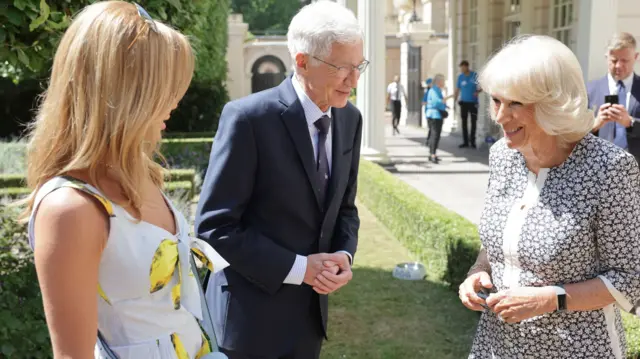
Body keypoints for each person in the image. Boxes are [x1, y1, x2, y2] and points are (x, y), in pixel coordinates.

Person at [21, 2, 229, 358]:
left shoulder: (144, 176)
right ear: (123, 94)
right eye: (164, 88)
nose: (176, 102)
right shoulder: (71, 209)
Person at [195, 2, 363, 358]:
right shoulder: (248, 118)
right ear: (302, 62)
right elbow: (215, 226)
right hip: (247, 324)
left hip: (308, 320)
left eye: (359, 65)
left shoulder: (350, 120)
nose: (354, 80)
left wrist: (344, 256)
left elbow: (345, 208)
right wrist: (301, 268)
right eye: (342, 68)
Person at [458, 34, 640, 358]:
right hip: (497, 346)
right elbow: (502, 236)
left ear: (553, 104)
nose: (500, 117)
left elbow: (629, 279)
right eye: (497, 100)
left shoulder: (610, 169)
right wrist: (477, 272)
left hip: (578, 348)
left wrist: (549, 298)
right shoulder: (502, 154)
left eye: (515, 103)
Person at [587, 32, 640, 162]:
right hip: (599, 169)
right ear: (606, 57)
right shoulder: (590, 90)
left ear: (636, 57)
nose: (618, 66)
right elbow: (572, 134)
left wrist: (630, 123)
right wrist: (594, 124)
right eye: (614, 60)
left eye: (624, 60)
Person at [455, 60, 481, 148]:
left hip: (473, 103)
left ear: (467, 67)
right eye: (461, 68)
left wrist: (477, 91)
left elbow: (481, 86)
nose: (462, 69)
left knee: (473, 122)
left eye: (463, 67)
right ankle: (465, 142)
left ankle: (473, 142)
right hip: (464, 103)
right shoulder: (460, 77)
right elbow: (457, 89)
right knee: (464, 122)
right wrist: (455, 100)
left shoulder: (474, 75)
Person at [425, 74, 451, 163]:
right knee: (435, 135)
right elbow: (436, 102)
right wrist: (447, 98)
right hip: (434, 115)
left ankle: (432, 153)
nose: (444, 82)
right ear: (439, 82)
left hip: (435, 115)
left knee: (434, 135)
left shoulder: (437, 90)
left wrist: (445, 105)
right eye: (443, 81)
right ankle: (433, 154)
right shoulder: (434, 90)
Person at [422, 78, 433, 145]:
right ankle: (428, 140)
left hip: (434, 113)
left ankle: (429, 140)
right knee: (431, 128)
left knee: (432, 128)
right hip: (429, 112)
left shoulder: (435, 91)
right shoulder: (427, 92)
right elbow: (424, 102)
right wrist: (431, 102)